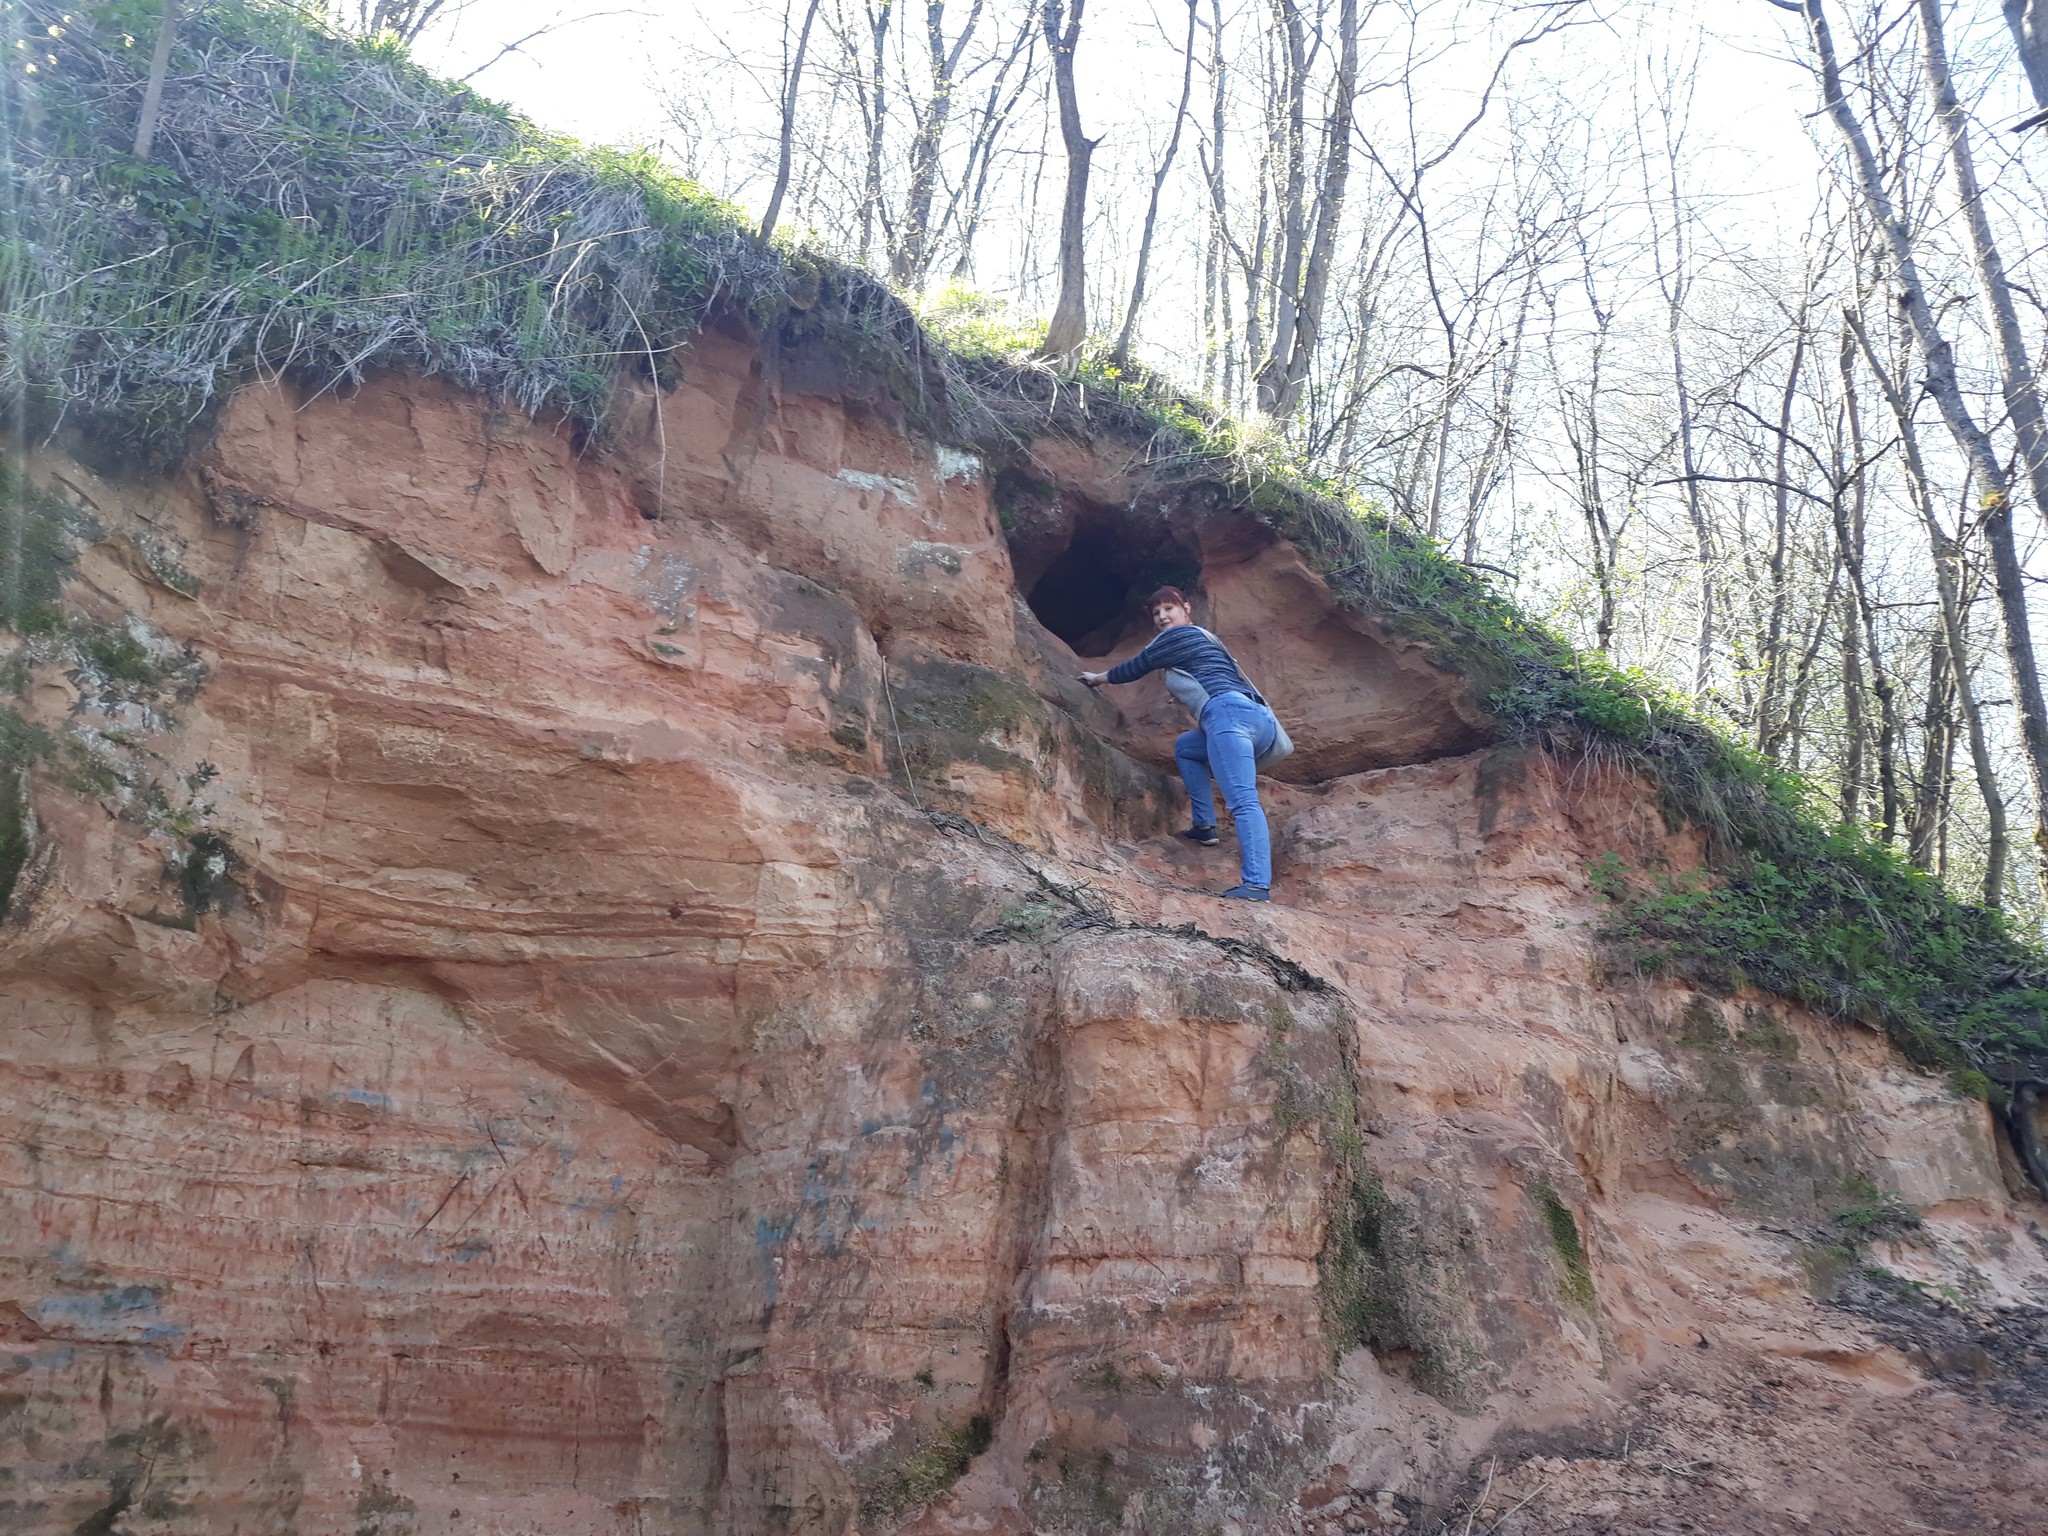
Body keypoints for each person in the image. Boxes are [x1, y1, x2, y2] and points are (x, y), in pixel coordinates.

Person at [1081, 587, 1280, 901]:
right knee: (1187, 747)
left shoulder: (1175, 638)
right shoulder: (1207, 638)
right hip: (1258, 720)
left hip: (1227, 717)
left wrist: (1098, 678)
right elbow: (1215, 674)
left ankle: (1256, 884)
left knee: (1243, 801)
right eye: (1156, 612)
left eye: (1168, 608)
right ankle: (1204, 827)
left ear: (1186, 608)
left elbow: (1135, 666)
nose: (1162, 617)